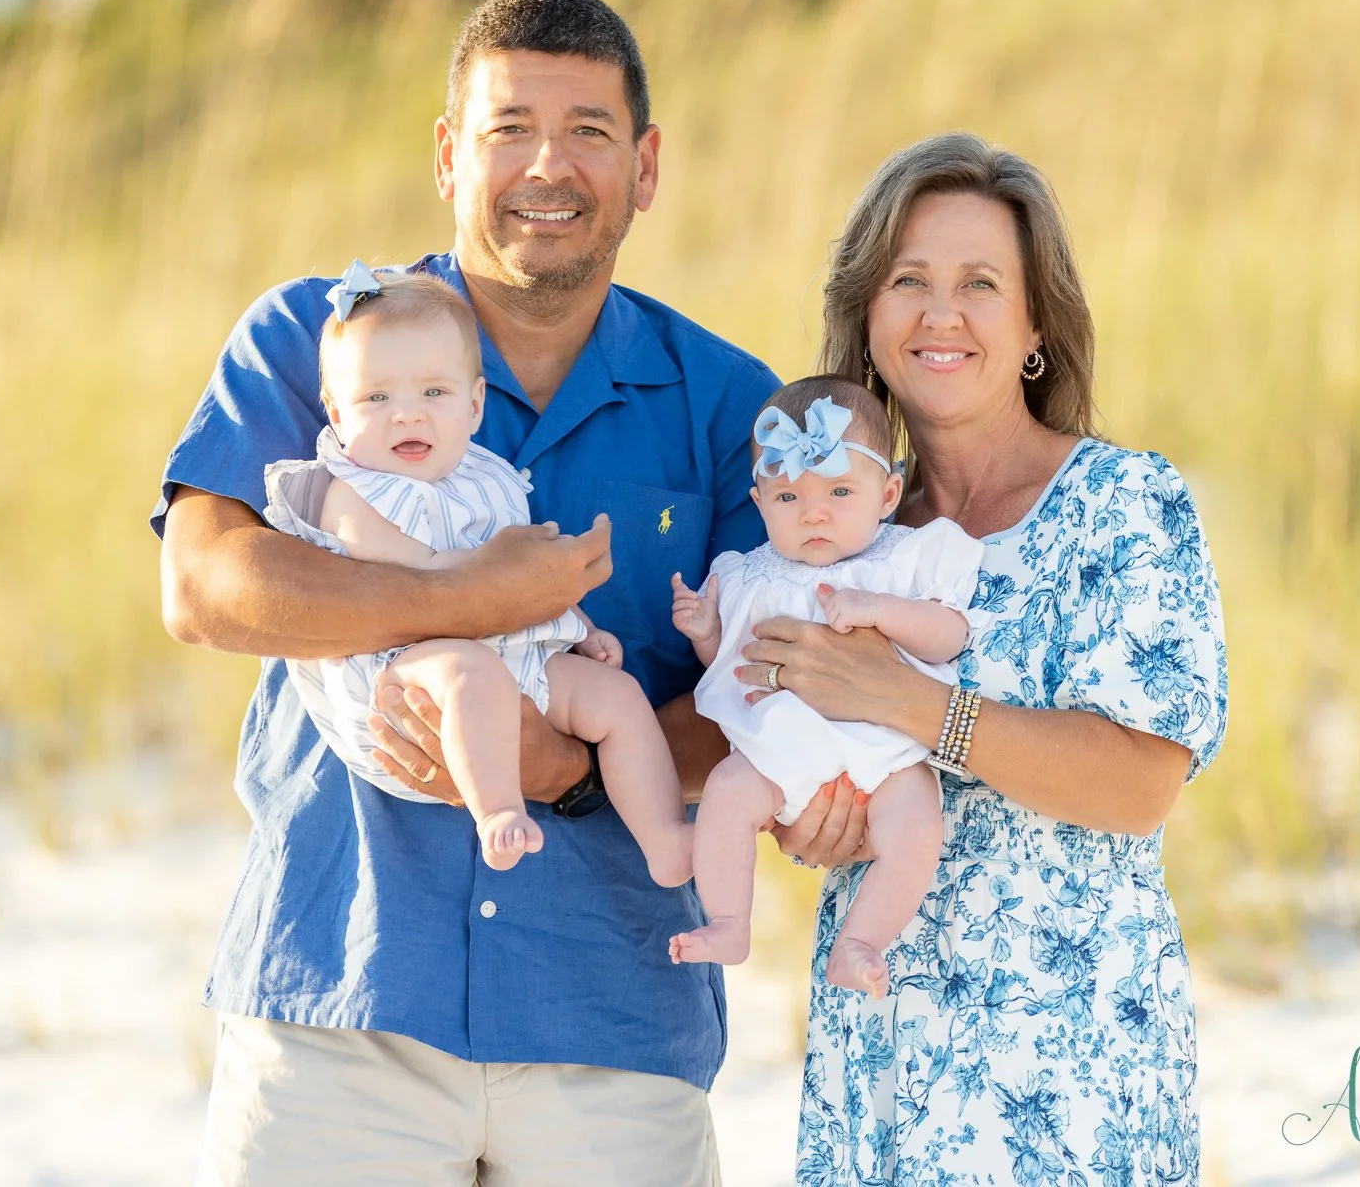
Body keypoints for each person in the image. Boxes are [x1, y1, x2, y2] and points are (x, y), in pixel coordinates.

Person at [154, 0, 785, 1185]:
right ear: (449, 155)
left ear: (645, 167)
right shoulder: (317, 339)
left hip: (613, 1022)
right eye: (508, 128)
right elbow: (205, 583)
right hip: (340, 1001)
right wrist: (472, 597)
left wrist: (578, 767)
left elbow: (764, 675)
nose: (548, 165)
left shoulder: (724, 400)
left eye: (589, 131)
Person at [740, 133, 1228, 1185]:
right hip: (883, 1047)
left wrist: (915, 705)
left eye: (978, 283)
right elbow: (771, 731)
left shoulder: (1121, 506)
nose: (939, 313)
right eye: (906, 280)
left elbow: (1140, 783)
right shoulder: (831, 530)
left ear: (1034, 323)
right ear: (866, 316)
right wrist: (803, 815)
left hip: (1072, 1062)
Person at [260, 267, 692, 880]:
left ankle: (666, 838)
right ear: (335, 410)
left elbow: (525, 585)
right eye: (377, 398)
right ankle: (497, 811)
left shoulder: (483, 478)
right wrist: (517, 576)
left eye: (433, 394)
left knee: (617, 698)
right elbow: (417, 580)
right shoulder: (351, 491)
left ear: (474, 403)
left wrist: (574, 621)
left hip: (510, 657)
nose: (407, 416)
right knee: (472, 673)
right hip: (401, 678)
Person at [666, 375, 981, 999]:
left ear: (888, 493)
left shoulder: (904, 561)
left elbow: (949, 635)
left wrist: (879, 610)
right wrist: (706, 632)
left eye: (840, 490)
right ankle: (729, 920)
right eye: (788, 498)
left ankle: (862, 940)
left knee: (917, 829)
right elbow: (731, 664)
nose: (814, 512)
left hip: (888, 754)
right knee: (726, 798)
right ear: (759, 503)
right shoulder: (745, 575)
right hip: (777, 755)